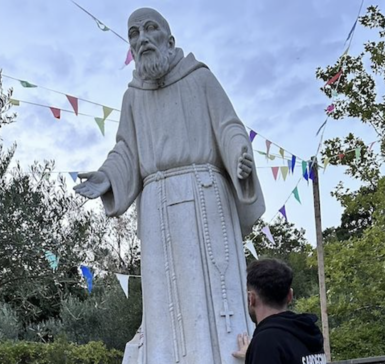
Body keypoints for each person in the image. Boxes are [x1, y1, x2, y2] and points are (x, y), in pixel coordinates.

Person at [74, 7, 265, 364]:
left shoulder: (200, 78)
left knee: (216, 291)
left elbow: (228, 126)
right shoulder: (133, 96)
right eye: (134, 33)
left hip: (206, 196)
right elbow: (126, 151)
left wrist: (239, 153)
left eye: (149, 29)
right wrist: (107, 177)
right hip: (157, 205)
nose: (142, 38)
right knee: (164, 299)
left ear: (169, 39)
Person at [233, 258, 326, 364]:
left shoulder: (266, 342)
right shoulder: (308, 333)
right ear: (290, 295)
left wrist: (260, 354)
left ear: (251, 298)